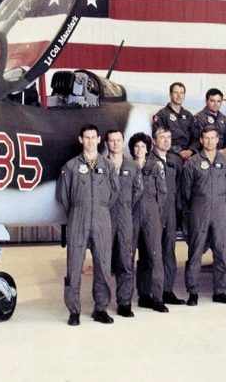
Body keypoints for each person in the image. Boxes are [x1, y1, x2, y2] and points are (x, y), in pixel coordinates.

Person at [57, 124, 120, 326]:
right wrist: (78, 209)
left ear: (99, 139)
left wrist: (100, 208)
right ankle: (74, 310)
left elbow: (114, 193)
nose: (91, 141)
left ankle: (100, 308)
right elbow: (63, 197)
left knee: (103, 264)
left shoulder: (108, 166)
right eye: (87, 137)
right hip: (78, 216)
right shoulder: (71, 166)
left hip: (102, 217)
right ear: (80, 140)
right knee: (74, 265)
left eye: (94, 137)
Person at [182, 125, 226, 305]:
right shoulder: (193, 162)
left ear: (218, 139)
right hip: (199, 209)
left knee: (221, 250)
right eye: (207, 138)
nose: (210, 141)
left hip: (220, 210)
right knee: (196, 251)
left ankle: (220, 290)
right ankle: (193, 292)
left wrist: (218, 199)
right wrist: (201, 201)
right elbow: (186, 191)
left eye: (213, 138)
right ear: (202, 140)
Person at [105, 130, 144, 317]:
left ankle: (124, 303)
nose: (115, 144)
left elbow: (138, 190)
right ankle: (102, 302)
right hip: (105, 218)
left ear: (123, 142)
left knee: (126, 261)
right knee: (103, 261)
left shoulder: (133, 165)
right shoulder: (101, 164)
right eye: (111, 141)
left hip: (125, 218)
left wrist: (125, 206)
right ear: (106, 143)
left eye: (118, 140)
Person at [130, 132, 170, 313]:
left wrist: (157, 215)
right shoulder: (127, 166)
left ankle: (157, 297)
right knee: (131, 256)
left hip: (151, 212)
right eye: (136, 147)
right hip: (132, 213)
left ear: (148, 149)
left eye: (143, 147)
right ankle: (140, 295)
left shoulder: (155, 166)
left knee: (154, 255)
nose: (139, 150)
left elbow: (162, 193)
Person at [151, 125, 186, 305]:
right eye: (162, 137)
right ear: (154, 140)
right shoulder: (148, 160)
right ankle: (150, 292)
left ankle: (167, 290)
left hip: (171, 211)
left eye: (169, 137)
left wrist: (180, 212)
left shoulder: (176, 160)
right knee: (152, 251)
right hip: (153, 212)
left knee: (169, 251)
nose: (166, 141)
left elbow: (181, 188)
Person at [152, 82, 195, 161]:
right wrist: (178, 151)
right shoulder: (162, 115)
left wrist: (191, 151)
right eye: (176, 92)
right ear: (170, 94)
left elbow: (196, 137)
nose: (179, 96)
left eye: (182, 93)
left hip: (189, 154)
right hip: (170, 153)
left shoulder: (189, 116)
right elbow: (159, 139)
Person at [190, 88, 226, 155]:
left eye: (218, 101)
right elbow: (196, 142)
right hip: (203, 154)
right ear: (206, 101)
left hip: (222, 154)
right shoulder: (198, 118)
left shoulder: (225, 119)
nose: (216, 104)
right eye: (212, 101)